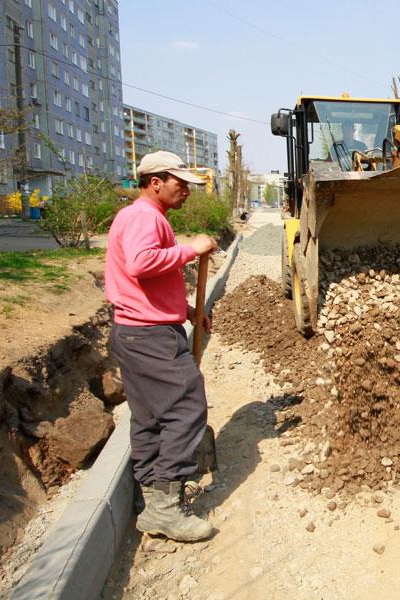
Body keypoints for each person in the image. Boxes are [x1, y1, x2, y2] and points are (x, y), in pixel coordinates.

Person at [105, 150, 218, 542]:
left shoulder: (148, 217)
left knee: (150, 416)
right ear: (156, 182)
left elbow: (145, 281)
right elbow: (140, 263)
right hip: (150, 336)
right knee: (187, 406)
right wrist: (192, 249)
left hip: (138, 329)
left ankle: (153, 499)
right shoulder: (142, 217)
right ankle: (168, 508)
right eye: (180, 183)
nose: (186, 190)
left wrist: (185, 309)